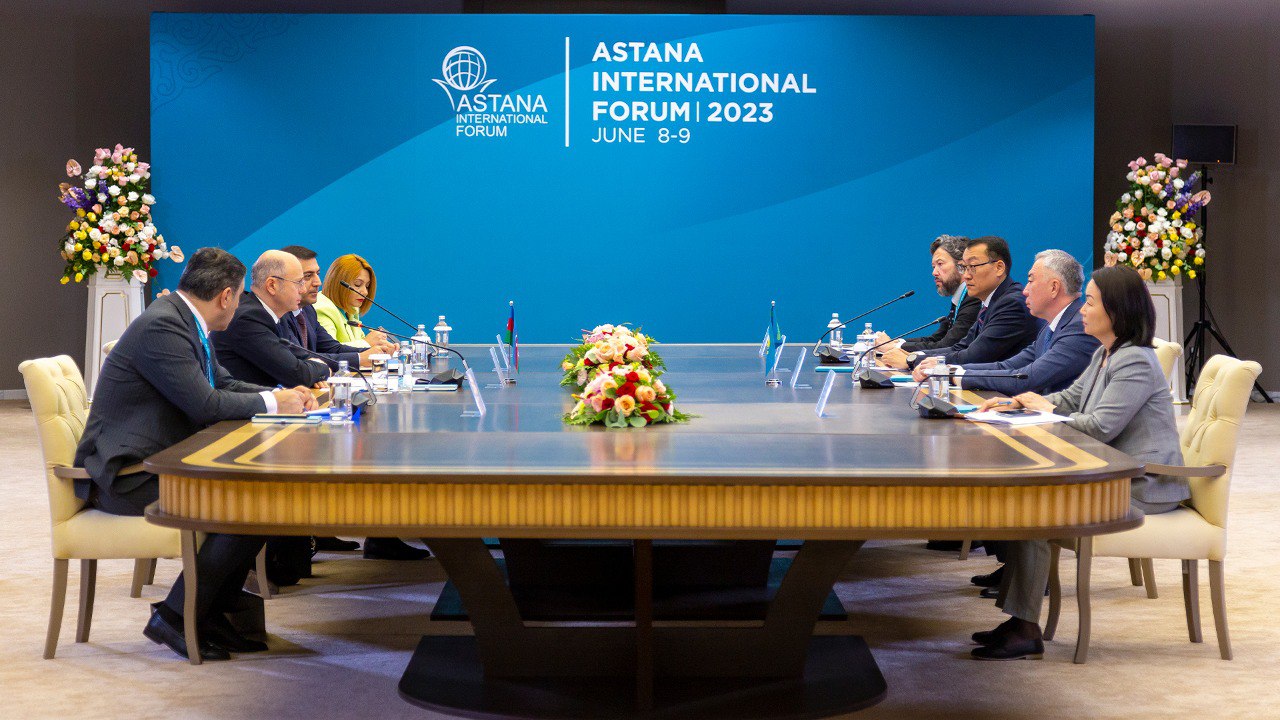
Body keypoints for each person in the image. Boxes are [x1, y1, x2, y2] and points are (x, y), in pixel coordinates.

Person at [73, 248, 316, 661]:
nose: (239, 305)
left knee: (258, 500)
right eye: (239, 296)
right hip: (126, 475)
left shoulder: (183, 318)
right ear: (226, 296)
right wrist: (275, 404)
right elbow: (205, 405)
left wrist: (280, 395)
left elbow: (222, 382)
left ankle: (209, 613)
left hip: (155, 461)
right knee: (247, 505)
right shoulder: (164, 325)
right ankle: (174, 616)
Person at [968, 265, 1188, 660]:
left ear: (1116, 311)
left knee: (1035, 509)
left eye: (1089, 302)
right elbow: (1070, 399)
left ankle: (1024, 626)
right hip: (1115, 475)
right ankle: (1019, 622)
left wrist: (1043, 410)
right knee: (1027, 500)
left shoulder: (1134, 361)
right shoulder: (1106, 353)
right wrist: (1019, 403)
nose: (1082, 310)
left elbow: (1100, 427)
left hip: (1144, 484)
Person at [956, 250, 1100, 594]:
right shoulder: (1053, 326)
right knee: (981, 456)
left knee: (996, 466)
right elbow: (1011, 366)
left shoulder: (1077, 329)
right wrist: (952, 371)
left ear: (1053, 288)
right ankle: (1014, 565)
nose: (1024, 289)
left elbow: (1029, 377)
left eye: (1031, 280)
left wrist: (957, 376)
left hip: (1069, 442)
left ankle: (1025, 575)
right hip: (1046, 426)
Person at [280, 246, 430, 562]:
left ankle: (379, 534)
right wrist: (362, 352)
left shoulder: (311, 311)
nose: (315, 283)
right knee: (375, 446)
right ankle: (369, 534)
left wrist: (364, 353)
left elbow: (328, 351)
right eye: (307, 276)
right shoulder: (315, 309)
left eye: (366, 286)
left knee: (379, 439)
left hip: (317, 400)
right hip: (293, 415)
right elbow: (306, 361)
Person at [901, 236, 1043, 378]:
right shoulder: (990, 301)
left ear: (999, 268)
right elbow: (960, 347)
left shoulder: (1011, 304)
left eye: (973, 267)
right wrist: (915, 356)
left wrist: (913, 360)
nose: (966, 276)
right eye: (964, 267)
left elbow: (975, 356)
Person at [212, 250, 334, 389]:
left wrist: (313, 370)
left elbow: (302, 358)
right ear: (272, 285)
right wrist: (323, 369)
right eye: (299, 282)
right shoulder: (248, 319)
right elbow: (297, 375)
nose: (303, 290)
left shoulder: (276, 315)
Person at [277, 246, 396, 361]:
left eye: (318, 274)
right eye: (307, 276)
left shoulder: (308, 311)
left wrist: (378, 352)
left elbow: (333, 348)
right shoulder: (318, 309)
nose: (318, 282)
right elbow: (307, 358)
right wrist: (366, 348)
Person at [878, 235, 980, 367]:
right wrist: (897, 343)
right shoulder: (960, 298)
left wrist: (897, 348)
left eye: (940, 264)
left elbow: (948, 345)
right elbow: (937, 338)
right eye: (933, 266)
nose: (934, 272)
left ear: (961, 266)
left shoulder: (974, 299)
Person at [313, 253, 391, 349]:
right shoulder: (323, 309)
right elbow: (330, 350)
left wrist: (381, 348)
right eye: (358, 284)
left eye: (367, 286)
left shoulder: (352, 310)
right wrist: (367, 342)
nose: (365, 292)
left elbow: (361, 346)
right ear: (338, 283)